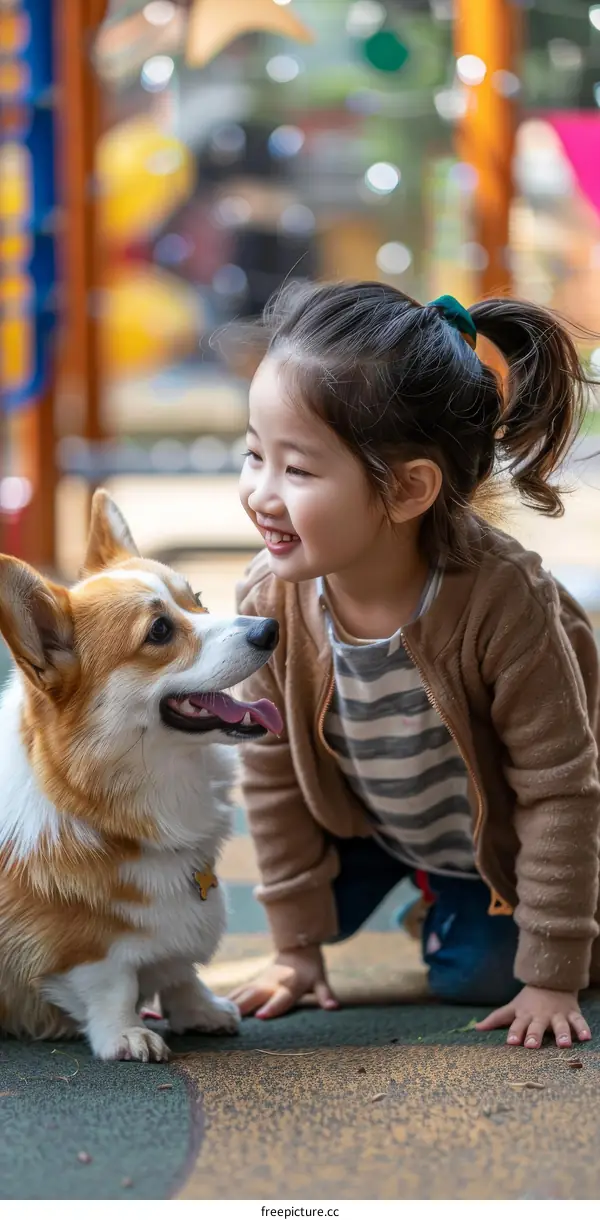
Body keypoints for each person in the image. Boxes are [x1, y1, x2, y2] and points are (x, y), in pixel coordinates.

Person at [230, 281, 600, 1050]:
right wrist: (295, 950)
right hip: (373, 824)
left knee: (477, 977)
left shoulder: (504, 603)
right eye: (254, 455)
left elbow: (560, 791)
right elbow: (269, 772)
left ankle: (453, 900)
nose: (260, 494)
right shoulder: (270, 603)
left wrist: (553, 975)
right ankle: (425, 887)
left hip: (500, 841)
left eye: (297, 471)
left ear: (407, 490)